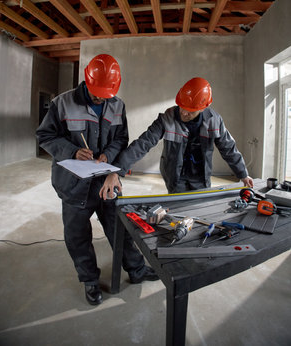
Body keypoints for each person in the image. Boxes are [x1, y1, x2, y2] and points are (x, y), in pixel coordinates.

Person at [36, 54, 158, 306]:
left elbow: (121, 139)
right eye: (96, 94)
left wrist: (108, 155)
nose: (102, 99)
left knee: (120, 229)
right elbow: (44, 135)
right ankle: (90, 280)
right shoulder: (62, 103)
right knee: (78, 236)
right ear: (87, 81)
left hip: (106, 181)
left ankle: (136, 270)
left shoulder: (118, 105)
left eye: (106, 94)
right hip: (73, 185)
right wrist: (71, 151)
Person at [100, 77, 253, 199]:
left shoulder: (214, 120)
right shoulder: (167, 118)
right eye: (182, 108)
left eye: (190, 111)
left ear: (203, 107)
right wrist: (117, 171)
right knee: (178, 209)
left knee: (199, 208)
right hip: (175, 176)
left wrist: (243, 174)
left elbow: (228, 148)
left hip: (201, 177)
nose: (183, 114)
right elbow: (143, 143)